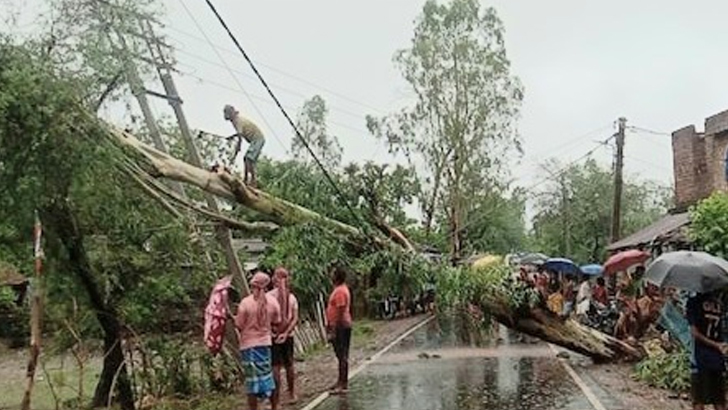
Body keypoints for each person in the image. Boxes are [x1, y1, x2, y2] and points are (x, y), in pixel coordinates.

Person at [235, 271, 282, 410]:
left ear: (252, 285)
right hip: (265, 345)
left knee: (252, 383)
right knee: (267, 376)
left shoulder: (245, 303)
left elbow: (239, 324)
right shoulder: (272, 302)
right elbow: (277, 321)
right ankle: (274, 405)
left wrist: (233, 318)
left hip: (248, 347)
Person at [687, 291, 727, 410]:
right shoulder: (719, 305)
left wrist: (715, 345)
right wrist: (719, 345)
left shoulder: (693, 303)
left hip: (700, 359)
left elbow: (694, 333)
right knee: (719, 401)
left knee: (698, 400)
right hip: (717, 359)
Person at [268, 267, 299, 404]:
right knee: (289, 364)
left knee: (275, 367)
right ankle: (292, 394)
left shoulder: (268, 297)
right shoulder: (291, 297)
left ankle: (277, 399)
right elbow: (295, 319)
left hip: (273, 336)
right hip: (288, 336)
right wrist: (286, 333)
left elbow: (265, 318)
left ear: (274, 278)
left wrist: (273, 332)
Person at [223, 104, 266, 188]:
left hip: (257, 139)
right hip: (255, 140)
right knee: (247, 159)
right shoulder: (235, 121)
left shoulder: (237, 120)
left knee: (248, 159)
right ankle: (247, 180)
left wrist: (238, 147)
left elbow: (240, 136)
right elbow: (240, 133)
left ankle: (251, 181)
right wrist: (232, 137)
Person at [326, 263, 353, 395]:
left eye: (332, 273)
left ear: (336, 276)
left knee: (342, 355)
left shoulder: (341, 291)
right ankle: (340, 381)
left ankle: (343, 384)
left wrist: (334, 328)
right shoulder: (339, 289)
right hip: (339, 325)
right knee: (340, 355)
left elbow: (340, 310)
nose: (330, 275)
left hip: (341, 326)